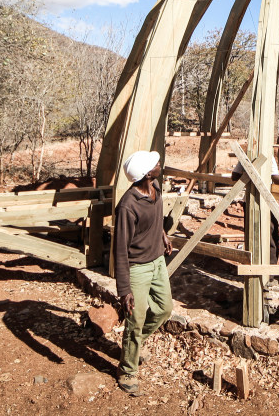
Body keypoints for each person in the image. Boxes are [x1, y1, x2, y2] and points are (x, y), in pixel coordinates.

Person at [114, 150, 174, 394]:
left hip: (157, 261)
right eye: (155, 164)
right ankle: (127, 371)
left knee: (164, 310)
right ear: (147, 173)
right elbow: (119, 250)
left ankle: (134, 345)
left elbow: (156, 218)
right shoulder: (128, 207)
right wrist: (124, 290)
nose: (159, 164)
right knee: (135, 320)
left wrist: (162, 235)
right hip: (137, 268)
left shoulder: (155, 187)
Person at [231, 155, 279, 266]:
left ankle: (253, 266)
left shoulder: (246, 156)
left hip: (249, 200)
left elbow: (234, 176)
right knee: (271, 234)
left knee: (251, 233)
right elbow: (276, 179)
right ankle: (269, 270)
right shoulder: (268, 156)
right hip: (265, 200)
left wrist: (249, 173)